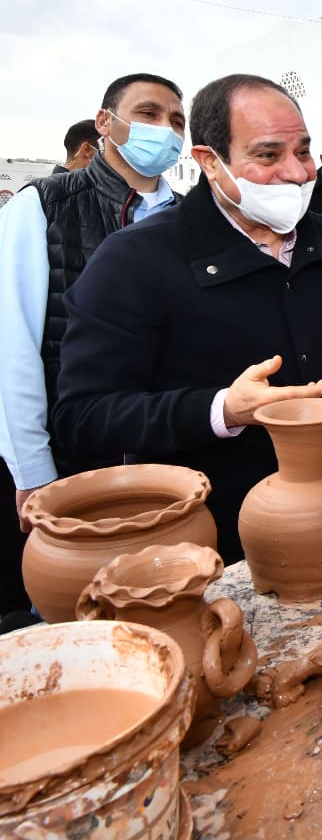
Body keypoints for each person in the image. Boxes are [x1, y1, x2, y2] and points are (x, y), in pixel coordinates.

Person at [51, 74, 322, 563]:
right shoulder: (135, 260)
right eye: (267, 155)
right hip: (202, 536)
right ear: (210, 162)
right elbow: (84, 417)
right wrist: (223, 410)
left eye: (302, 152)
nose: (297, 173)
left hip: (321, 508)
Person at [0, 73, 185, 626]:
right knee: (82, 609)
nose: (165, 131)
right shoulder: (43, 208)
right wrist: (31, 471)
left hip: (169, 453)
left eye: (176, 121)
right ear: (106, 124)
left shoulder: (190, 219)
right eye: (149, 114)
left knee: (163, 604)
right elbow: (15, 344)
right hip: (75, 454)